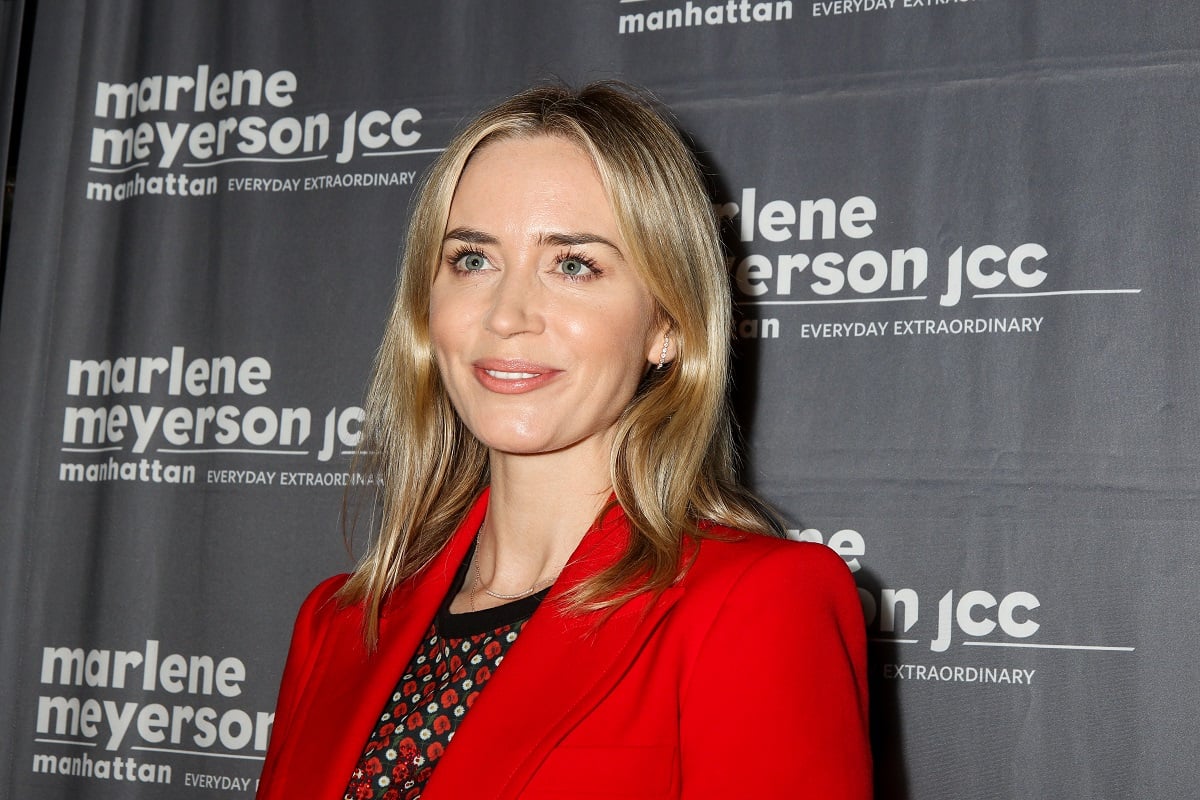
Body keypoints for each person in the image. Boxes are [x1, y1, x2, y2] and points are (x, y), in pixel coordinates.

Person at [256, 82, 871, 800]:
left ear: (667, 325)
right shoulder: (337, 627)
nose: (508, 314)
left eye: (573, 264)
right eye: (472, 260)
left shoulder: (757, 607)